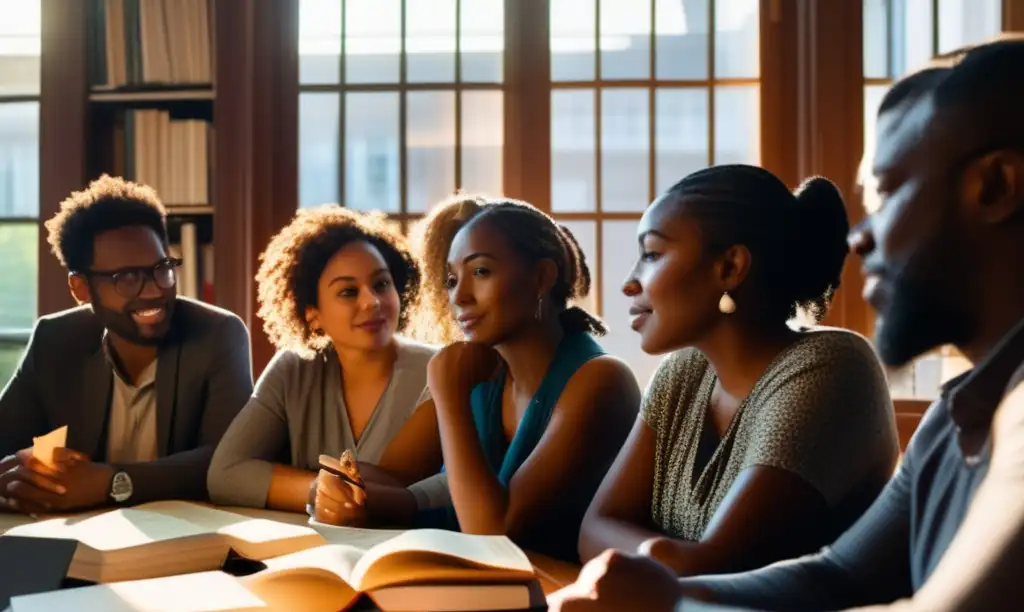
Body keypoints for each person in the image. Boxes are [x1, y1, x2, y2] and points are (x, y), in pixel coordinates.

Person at [546, 38, 1024, 612]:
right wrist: (651, 602)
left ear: (996, 186)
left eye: (889, 191)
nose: (860, 239)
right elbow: (841, 574)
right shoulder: (964, 411)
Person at [577, 166, 898, 575]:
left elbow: (719, 569)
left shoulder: (832, 367)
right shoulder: (683, 372)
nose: (628, 283)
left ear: (730, 267)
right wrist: (669, 557)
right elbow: (592, 531)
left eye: (653, 254)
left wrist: (641, 552)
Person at [313, 195, 641, 561]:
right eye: (452, 280)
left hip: (569, 600)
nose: (460, 297)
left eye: (481, 271)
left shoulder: (601, 380)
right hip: (489, 587)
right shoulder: (488, 372)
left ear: (541, 277)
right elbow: (397, 478)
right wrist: (345, 492)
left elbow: (494, 532)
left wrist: (449, 394)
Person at [0, 175, 253, 516]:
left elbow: (228, 461)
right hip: (79, 540)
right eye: (127, 278)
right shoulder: (54, 340)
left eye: (161, 269)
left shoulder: (218, 334)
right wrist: (17, 479)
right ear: (81, 289)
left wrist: (110, 482)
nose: (153, 291)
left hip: (183, 537)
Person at [208, 206, 439, 512]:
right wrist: (318, 491)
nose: (371, 301)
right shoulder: (293, 369)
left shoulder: (437, 372)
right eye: (348, 292)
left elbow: (406, 489)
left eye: (382, 284)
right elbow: (225, 474)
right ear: (312, 314)